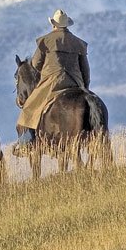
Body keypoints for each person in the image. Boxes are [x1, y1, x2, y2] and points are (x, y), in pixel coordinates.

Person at [15, 9, 89, 149]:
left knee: (29, 107)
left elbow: (36, 64)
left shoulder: (45, 41)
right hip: (76, 83)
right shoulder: (78, 43)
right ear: (67, 25)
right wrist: (85, 87)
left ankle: (26, 143)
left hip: (52, 82)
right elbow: (85, 69)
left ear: (53, 25)